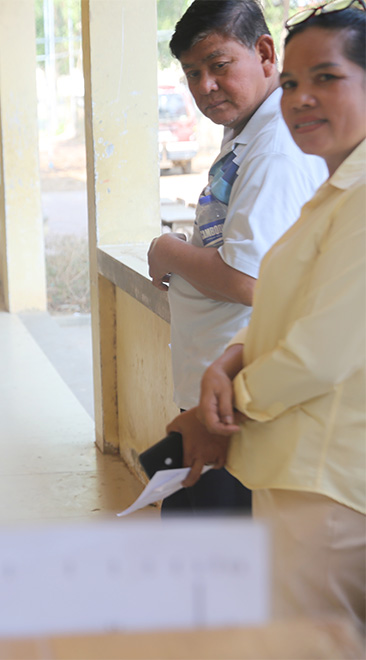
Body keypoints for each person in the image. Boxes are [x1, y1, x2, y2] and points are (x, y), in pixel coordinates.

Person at [169, 0, 365, 629]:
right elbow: (290, 303)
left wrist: (221, 408)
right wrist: (231, 358)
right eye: (294, 85)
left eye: (327, 79)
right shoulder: (333, 189)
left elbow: (320, 354)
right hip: (290, 465)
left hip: (326, 480)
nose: (302, 99)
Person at [147, 0, 329, 517]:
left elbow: (250, 279)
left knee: (208, 549)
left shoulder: (275, 147)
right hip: (216, 387)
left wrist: (168, 251)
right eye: (192, 73)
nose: (205, 85)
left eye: (219, 65)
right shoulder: (249, 133)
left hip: (237, 399)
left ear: (266, 53)